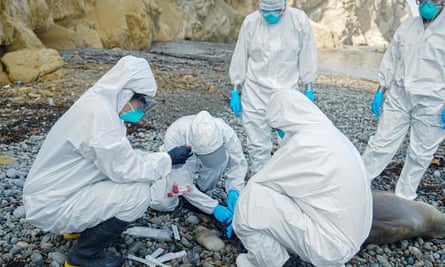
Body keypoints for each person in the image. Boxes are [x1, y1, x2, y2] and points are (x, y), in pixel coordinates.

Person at [22, 55, 192, 267]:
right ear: (126, 92)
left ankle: (76, 228)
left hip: (55, 192)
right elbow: (124, 168)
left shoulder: (99, 105)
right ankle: (84, 256)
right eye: (142, 101)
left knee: (124, 182)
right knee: (138, 194)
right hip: (52, 204)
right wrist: (167, 160)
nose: (142, 108)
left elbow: (119, 157)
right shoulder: (99, 116)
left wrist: (162, 159)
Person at [232, 89, 372, 267]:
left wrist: (236, 197)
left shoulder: (304, 144)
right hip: (355, 237)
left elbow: (261, 183)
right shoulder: (333, 135)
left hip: (332, 247)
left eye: (279, 129)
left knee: (248, 202)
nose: (280, 134)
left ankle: (276, 262)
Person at [362, 0, 445, 200]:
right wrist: (381, 88)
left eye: (431, 0)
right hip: (399, 96)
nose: (425, 4)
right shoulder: (408, 26)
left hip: (433, 102)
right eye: (422, 0)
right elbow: (391, 58)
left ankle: (404, 197)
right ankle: (360, 181)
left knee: (420, 154)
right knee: (380, 144)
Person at [229, 0, 318, 174]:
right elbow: (240, 56)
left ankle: (286, 180)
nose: (270, 16)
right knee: (257, 144)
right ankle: (261, 181)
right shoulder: (251, 22)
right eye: (265, 12)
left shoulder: (298, 20)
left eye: (275, 11)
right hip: (255, 91)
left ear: (284, 5)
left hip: (286, 92)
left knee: (290, 141)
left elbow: (308, 54)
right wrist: (235, 88)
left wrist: (308, 87)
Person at [150, 110, 247, 237]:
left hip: (208, 158)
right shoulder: (176, 133)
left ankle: (203, 191)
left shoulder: (224, 130)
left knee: (223, 159)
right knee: (162, 203)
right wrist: (213, 208)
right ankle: (194, 199)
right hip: (182, 160)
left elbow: (238, 163)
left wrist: (235, 189)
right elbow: (181, 182)